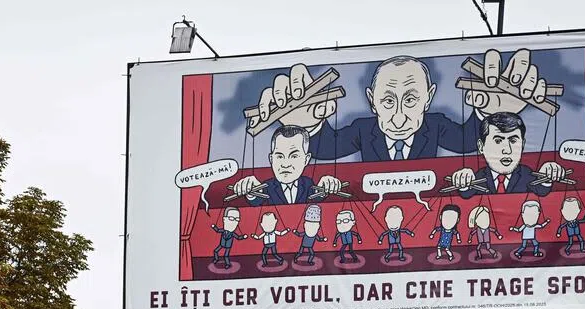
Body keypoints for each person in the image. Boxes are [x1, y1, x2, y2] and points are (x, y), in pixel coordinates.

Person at [250, 49, 555, 163]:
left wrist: (494, 112)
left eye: (410, 100)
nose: (398, 118)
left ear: (428, 97)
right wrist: (305, 125)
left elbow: (466, 141)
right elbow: (327, 148)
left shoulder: (435, 125)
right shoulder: (363, 130)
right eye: (387, 101)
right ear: (371, 100)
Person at [450, 112, 567, 198]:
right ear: (481, 146)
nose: (507, 150)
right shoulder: (478, 178)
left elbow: (541, 190)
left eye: (513, 141)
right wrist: (463, 181)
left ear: (523, 144)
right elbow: (466, 194)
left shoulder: (527, 175)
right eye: (498, 141)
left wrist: (547, 176)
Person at [232, 125, 342, 205]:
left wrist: (326, 185)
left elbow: (316, 198)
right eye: (279, 156)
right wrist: (250, 192)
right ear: (271, 159)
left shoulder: (308, 184)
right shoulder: (266, 187)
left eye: (294, 156)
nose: (285, 164)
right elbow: (257, 201)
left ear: (306, 159)